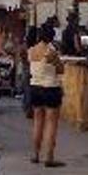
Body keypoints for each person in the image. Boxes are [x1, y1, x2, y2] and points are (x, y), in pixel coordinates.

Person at [28, 25, 65, 167]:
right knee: (51, 124)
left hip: (35, 88)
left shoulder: (31, 50)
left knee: (37, 122)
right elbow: (61, 69)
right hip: (51, 88)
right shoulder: (51, 51)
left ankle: (35, 154)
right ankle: (49, 157)